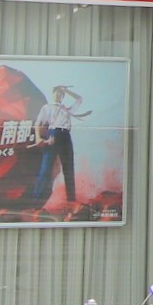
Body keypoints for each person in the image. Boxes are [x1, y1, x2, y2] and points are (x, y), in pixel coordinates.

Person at [38, 85, 91, 213]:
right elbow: (39, 123)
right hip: (53, 134)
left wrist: (67, 90)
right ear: (53, 94)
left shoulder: (67, 109)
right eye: (57, 93)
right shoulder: (47, 107)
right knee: (46, 169)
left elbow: (79, 99)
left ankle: (71, 200)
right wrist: (39, 138)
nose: (59, 95)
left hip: (66, 135)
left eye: (61, 94)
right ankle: (36, 202)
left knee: (68, 168)